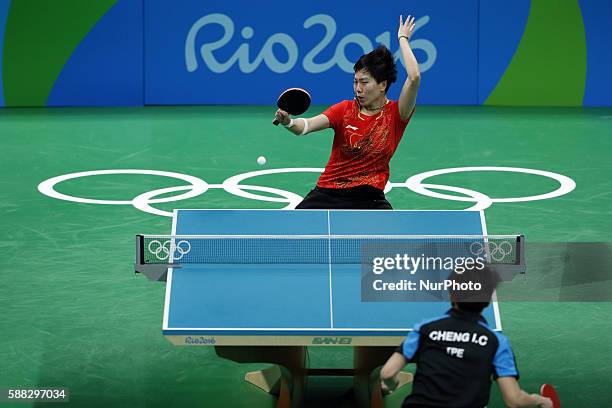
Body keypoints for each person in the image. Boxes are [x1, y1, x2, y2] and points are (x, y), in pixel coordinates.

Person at [274, 15, 421, 210]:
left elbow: (414, 77)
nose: (357, 88)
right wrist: (289, 122)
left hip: (370, 196)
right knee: (296, 231)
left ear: (382, 85)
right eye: (355, 81)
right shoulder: (344, 109)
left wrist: (403, 39)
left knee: (386, 237)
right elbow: (306, 126)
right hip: (328, 191)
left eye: (364, 82)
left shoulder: (397, 114)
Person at [379, 266, 553, 408]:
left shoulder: (424, 329)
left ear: (452, 293)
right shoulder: (497, 343)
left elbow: (387, 372)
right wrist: (539, 400)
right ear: (487, 300)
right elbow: (514, 400)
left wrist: (391, 383)